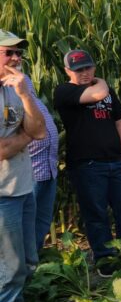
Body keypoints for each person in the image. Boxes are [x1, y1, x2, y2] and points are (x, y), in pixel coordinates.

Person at [0, 29, 58, 302]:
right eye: (8, 53)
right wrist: (23, 136)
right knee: (7, 268)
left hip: (22, 185)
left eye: (18, 52)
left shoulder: (17, 87)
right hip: (2, 194)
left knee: (26, 262)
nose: (15, 58)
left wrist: (24, 95)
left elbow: (37, 130)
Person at [54, 49, 121, 274]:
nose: (84, 73)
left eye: (88, 68)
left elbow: (120, 122)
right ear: (67, 71)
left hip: (117, 162)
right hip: (87, 165)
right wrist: (101, 81)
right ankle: (105, 260)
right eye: (78, 70)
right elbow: (99, 93)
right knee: (96, 215)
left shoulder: (108, 92)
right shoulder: (64, 91)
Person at [25, 73, 58, 253]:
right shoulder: (7, 99)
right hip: (30, 173)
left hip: (48, 169)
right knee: (27, 223)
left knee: (42, 221)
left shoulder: (27, 84)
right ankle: (25, 263)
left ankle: (35, 259)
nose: (16, 59)